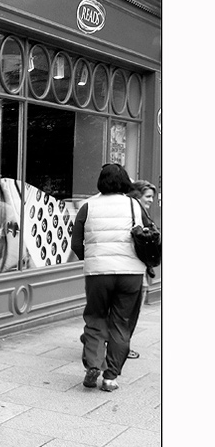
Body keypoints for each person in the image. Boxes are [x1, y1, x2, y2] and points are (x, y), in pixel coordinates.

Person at [71, 164, 152, 392]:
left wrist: (92, 258)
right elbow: (149, 234)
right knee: (121, 323)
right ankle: (110, 377)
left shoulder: (88, 205)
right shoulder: (134, 205)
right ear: (125, 181)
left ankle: (93, 364)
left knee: (96, 318)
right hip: (131, 274)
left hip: (99, 274)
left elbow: (76, 243)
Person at [123, 179, 160, 358]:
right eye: (148, 196)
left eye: (153, 197)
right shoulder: (138, 212)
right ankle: (123, 345)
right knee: (132, 310)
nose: (151, 200)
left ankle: (98, 337)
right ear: (137, 196)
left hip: (119, 267)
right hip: (135, 268)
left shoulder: (131, 210)